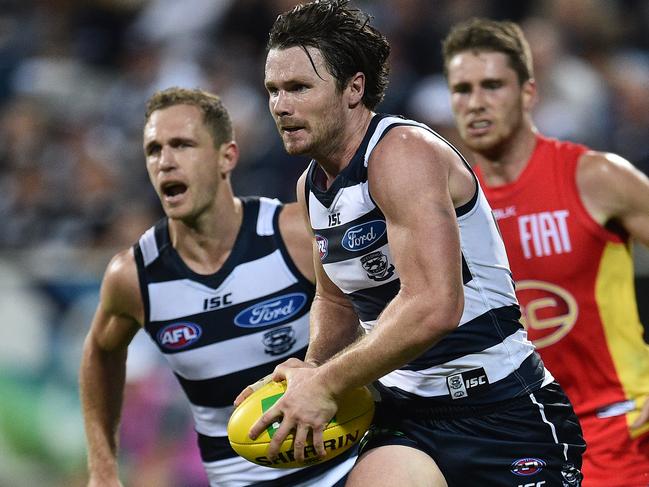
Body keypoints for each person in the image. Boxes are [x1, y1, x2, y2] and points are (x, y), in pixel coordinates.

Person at [237, 2, 586, 486]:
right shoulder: (310, 185)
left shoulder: (401, 153)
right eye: (273, 90)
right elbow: (335, 297)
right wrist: (311, 367)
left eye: (298, 88)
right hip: (407, 416)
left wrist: (327, 381)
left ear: (353, 88)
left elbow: (435, 305)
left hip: (501, 410)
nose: (280, 105)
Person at [79, 87, 357, 487]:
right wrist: (103, 468)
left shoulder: (294, 234)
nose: (166, 162)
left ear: (227, 156)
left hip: (344, 467)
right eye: (154, 150)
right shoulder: (134, 276)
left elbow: (376, 315)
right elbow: (99, 355)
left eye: (182, 145)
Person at [442, 18, 649, 487]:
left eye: (492, 85)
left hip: (616, 429)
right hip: (515, 439)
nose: (475, 102)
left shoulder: (595, 177)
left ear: (528, 93)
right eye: (462, 89)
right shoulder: (447, 209)